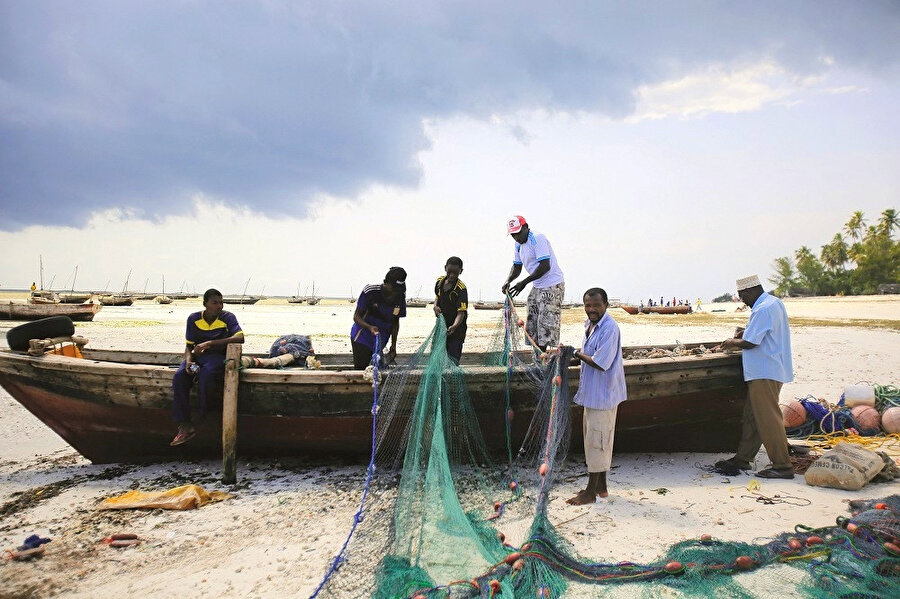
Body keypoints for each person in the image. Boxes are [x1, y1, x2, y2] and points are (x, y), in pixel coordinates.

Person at [712, 275, 795, 479]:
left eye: (742, 297)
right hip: (771, 368)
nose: (743, 301)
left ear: (749, 291)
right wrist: (745, 333)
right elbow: (761, 333)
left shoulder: (763, 308)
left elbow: (751, 342)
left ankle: (783, 466)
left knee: (768, 419)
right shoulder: (773, 303)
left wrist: (730, 342)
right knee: (753, 416)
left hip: (764, 370)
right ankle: (743, 458)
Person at [560, 287, 627, 504]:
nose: (591, 309)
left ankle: (589, 492)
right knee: (597, 440)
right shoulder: (589, 326)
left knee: (598, 442)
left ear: (606, 305)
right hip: (592, 394)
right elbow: (587, 356)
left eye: (596, 305)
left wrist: (574, 353)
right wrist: (566, 356)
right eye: (588, 305)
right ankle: (602, 487)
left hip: (603, 395)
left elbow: (600, 362)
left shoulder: (609, 328)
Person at [170, 288, 244, 446]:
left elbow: (240, 337)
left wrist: (210, 343)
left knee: (206, 375)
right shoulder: (194, 319)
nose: (219, 306)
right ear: (205, 304)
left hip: (217, 357)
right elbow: (189, 346)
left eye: (221, 302)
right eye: (215, 303)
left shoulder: (227, 317)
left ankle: (202, 414)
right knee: (179, 377)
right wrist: (189, 361)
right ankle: (184, 425)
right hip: (197, 357)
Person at [501, 216, 565, 351]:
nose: (516, 237)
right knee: (532, 323)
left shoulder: (537, 238)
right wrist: (508, 281)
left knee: (546, 325)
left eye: (518, 233)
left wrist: (524, 282)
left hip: (551, 284)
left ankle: (543, 359)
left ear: (526, 227)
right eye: (513, 234)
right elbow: (517, 267)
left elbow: (545, 266)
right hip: (537, 285)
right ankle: (537, 356)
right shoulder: (518, 244)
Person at [351, 266, 407, 369]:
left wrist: (393, 346)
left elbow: (395, 322)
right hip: (362, 337)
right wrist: (369, 327)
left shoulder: (400, 297)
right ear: (386, 282)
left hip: (381, 338)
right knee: (361, 370)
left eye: (398, 290)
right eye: (393, 289)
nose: (395, 293)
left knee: (377, 371)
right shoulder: (370, 292)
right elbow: (356, 317)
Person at [434, 257, 468, 365]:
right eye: (449, 272)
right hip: (442, 325)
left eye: (455, 273)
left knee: (452, 358)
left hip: (457, 329)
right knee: (438, 357)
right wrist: (435, 306)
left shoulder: (461, 289)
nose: (452, 275)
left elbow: (461, 313)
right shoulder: (439, 282)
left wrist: (454, 326)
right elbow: (437, 297)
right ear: (445, 268)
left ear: (461, 271)